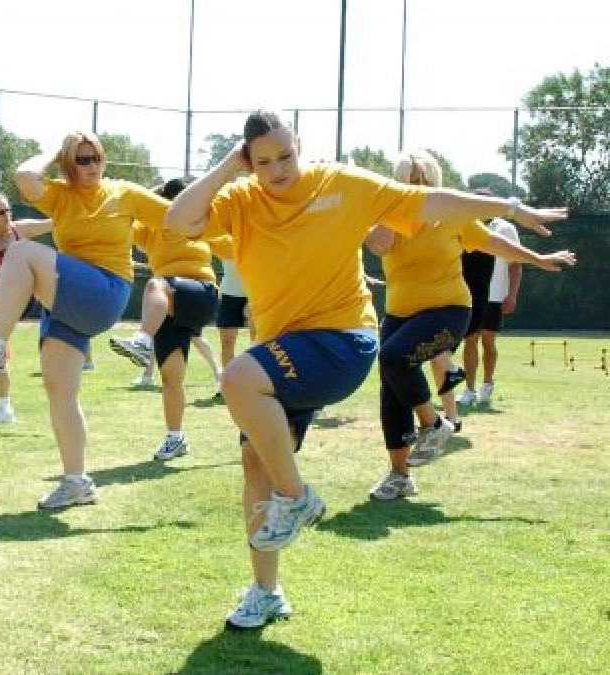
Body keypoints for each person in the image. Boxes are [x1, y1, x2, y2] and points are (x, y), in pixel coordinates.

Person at [164, 111, 567, 630]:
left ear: (299, 146)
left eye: (286, 155)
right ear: (249, 159)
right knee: (255, 465)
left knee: (238, 377)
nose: (278, 169)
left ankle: (299, 498)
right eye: (263, 161)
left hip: (341, 340)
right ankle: (266, 591)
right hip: (280, 352)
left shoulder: (343, 185)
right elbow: (178, 221)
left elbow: (429, 202)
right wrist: (229, 167)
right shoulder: (242, 199)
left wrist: (508, 205)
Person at [0, 131, 170, 508]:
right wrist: (57, 150)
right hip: (67, 299)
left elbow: (177, 216)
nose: (92, 166)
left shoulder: (124, 193)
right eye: (82, 160)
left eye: (96, 158)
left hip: (105, 291)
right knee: (59, 391)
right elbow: (24, 177)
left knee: (19, 253)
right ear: (68, 164)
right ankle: (75, 482)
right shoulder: (60, 195)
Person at [365, 151, 576, 500]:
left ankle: (434, 426)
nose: (413, 187)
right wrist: (397, 204)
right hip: (399, 315)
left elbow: (495, 243)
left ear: (432, 181)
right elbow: (378, 244)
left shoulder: (450, 215)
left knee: (392, 358)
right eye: (406, 181)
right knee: (392, 389)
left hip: (448, 311)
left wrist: (538, 259)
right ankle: (399, 475)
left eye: (418, 181)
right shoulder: (389, 218)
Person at [107, 177, 229, 461]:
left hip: (202, 294)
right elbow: (125, 215)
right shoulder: (152, 229)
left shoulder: (201, 224)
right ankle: (175, 438)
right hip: (171, 306)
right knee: (171, 377)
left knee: (154, 285)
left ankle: (142, 341)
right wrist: (150, 195)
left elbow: (235, 245)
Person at [0, 192, 53, 424]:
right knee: (0, 355)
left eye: (9, 211)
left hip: (22, 297)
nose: (7, 216)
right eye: (1, 213)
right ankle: (5, 408)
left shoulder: (19, 230)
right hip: (0, 300)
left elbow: (51, 224)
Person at [457, 203, 524, 407]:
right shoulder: (462, 225)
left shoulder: (506, 228)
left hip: (494, 297)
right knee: (470, 341)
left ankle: (487, 386)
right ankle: (469, 390)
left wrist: (511, 295)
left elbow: (515, 264)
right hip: (469, 296)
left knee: (488, 342)